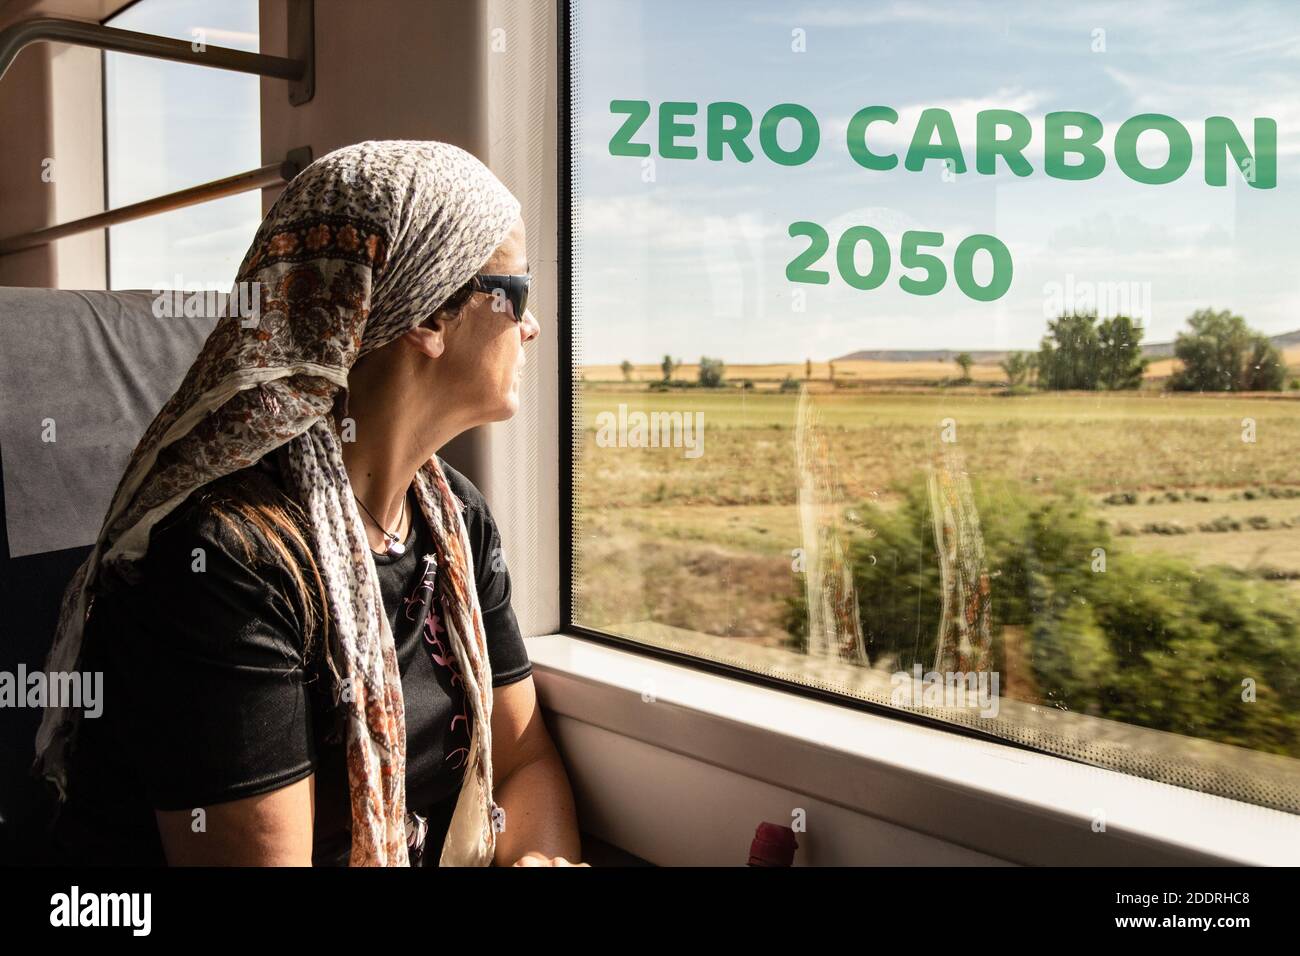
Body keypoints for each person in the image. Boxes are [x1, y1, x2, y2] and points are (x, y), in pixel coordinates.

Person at [35, 140, 585, 866]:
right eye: (515, 295)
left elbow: (522, 764)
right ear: (429, 318)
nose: (532, 326)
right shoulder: (225, 564)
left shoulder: (455, 517)